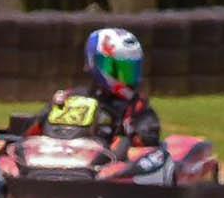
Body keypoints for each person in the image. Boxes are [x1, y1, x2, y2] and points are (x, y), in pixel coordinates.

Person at [27, 27, 161, 150]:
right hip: (62, 158)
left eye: (130, 69)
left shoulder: (136, 106)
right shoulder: (70, 97)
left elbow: (149, 138)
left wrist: (131, 130)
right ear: (97, 63)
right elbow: (31, 132)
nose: (125, 77)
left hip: (108, 165)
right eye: (120, 69)